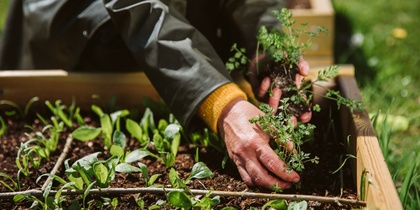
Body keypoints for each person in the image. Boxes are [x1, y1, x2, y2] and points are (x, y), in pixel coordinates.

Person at [0, 0, 312, 190]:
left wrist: (266, 48)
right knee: (119, 49)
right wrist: (224, 105)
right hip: (90, 21)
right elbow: (142, 8)